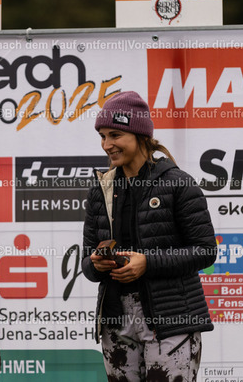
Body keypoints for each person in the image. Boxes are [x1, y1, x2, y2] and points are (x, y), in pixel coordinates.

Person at [81, 91, 217, 381]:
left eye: (115, 135)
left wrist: (148, 263)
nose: (106, 145)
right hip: (116, 321)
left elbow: (205, 250)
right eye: (102, 136)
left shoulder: (178, 183)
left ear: (140, 135)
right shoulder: (100, 190)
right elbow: (87, 262)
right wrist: (96, 263)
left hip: (171, 319)